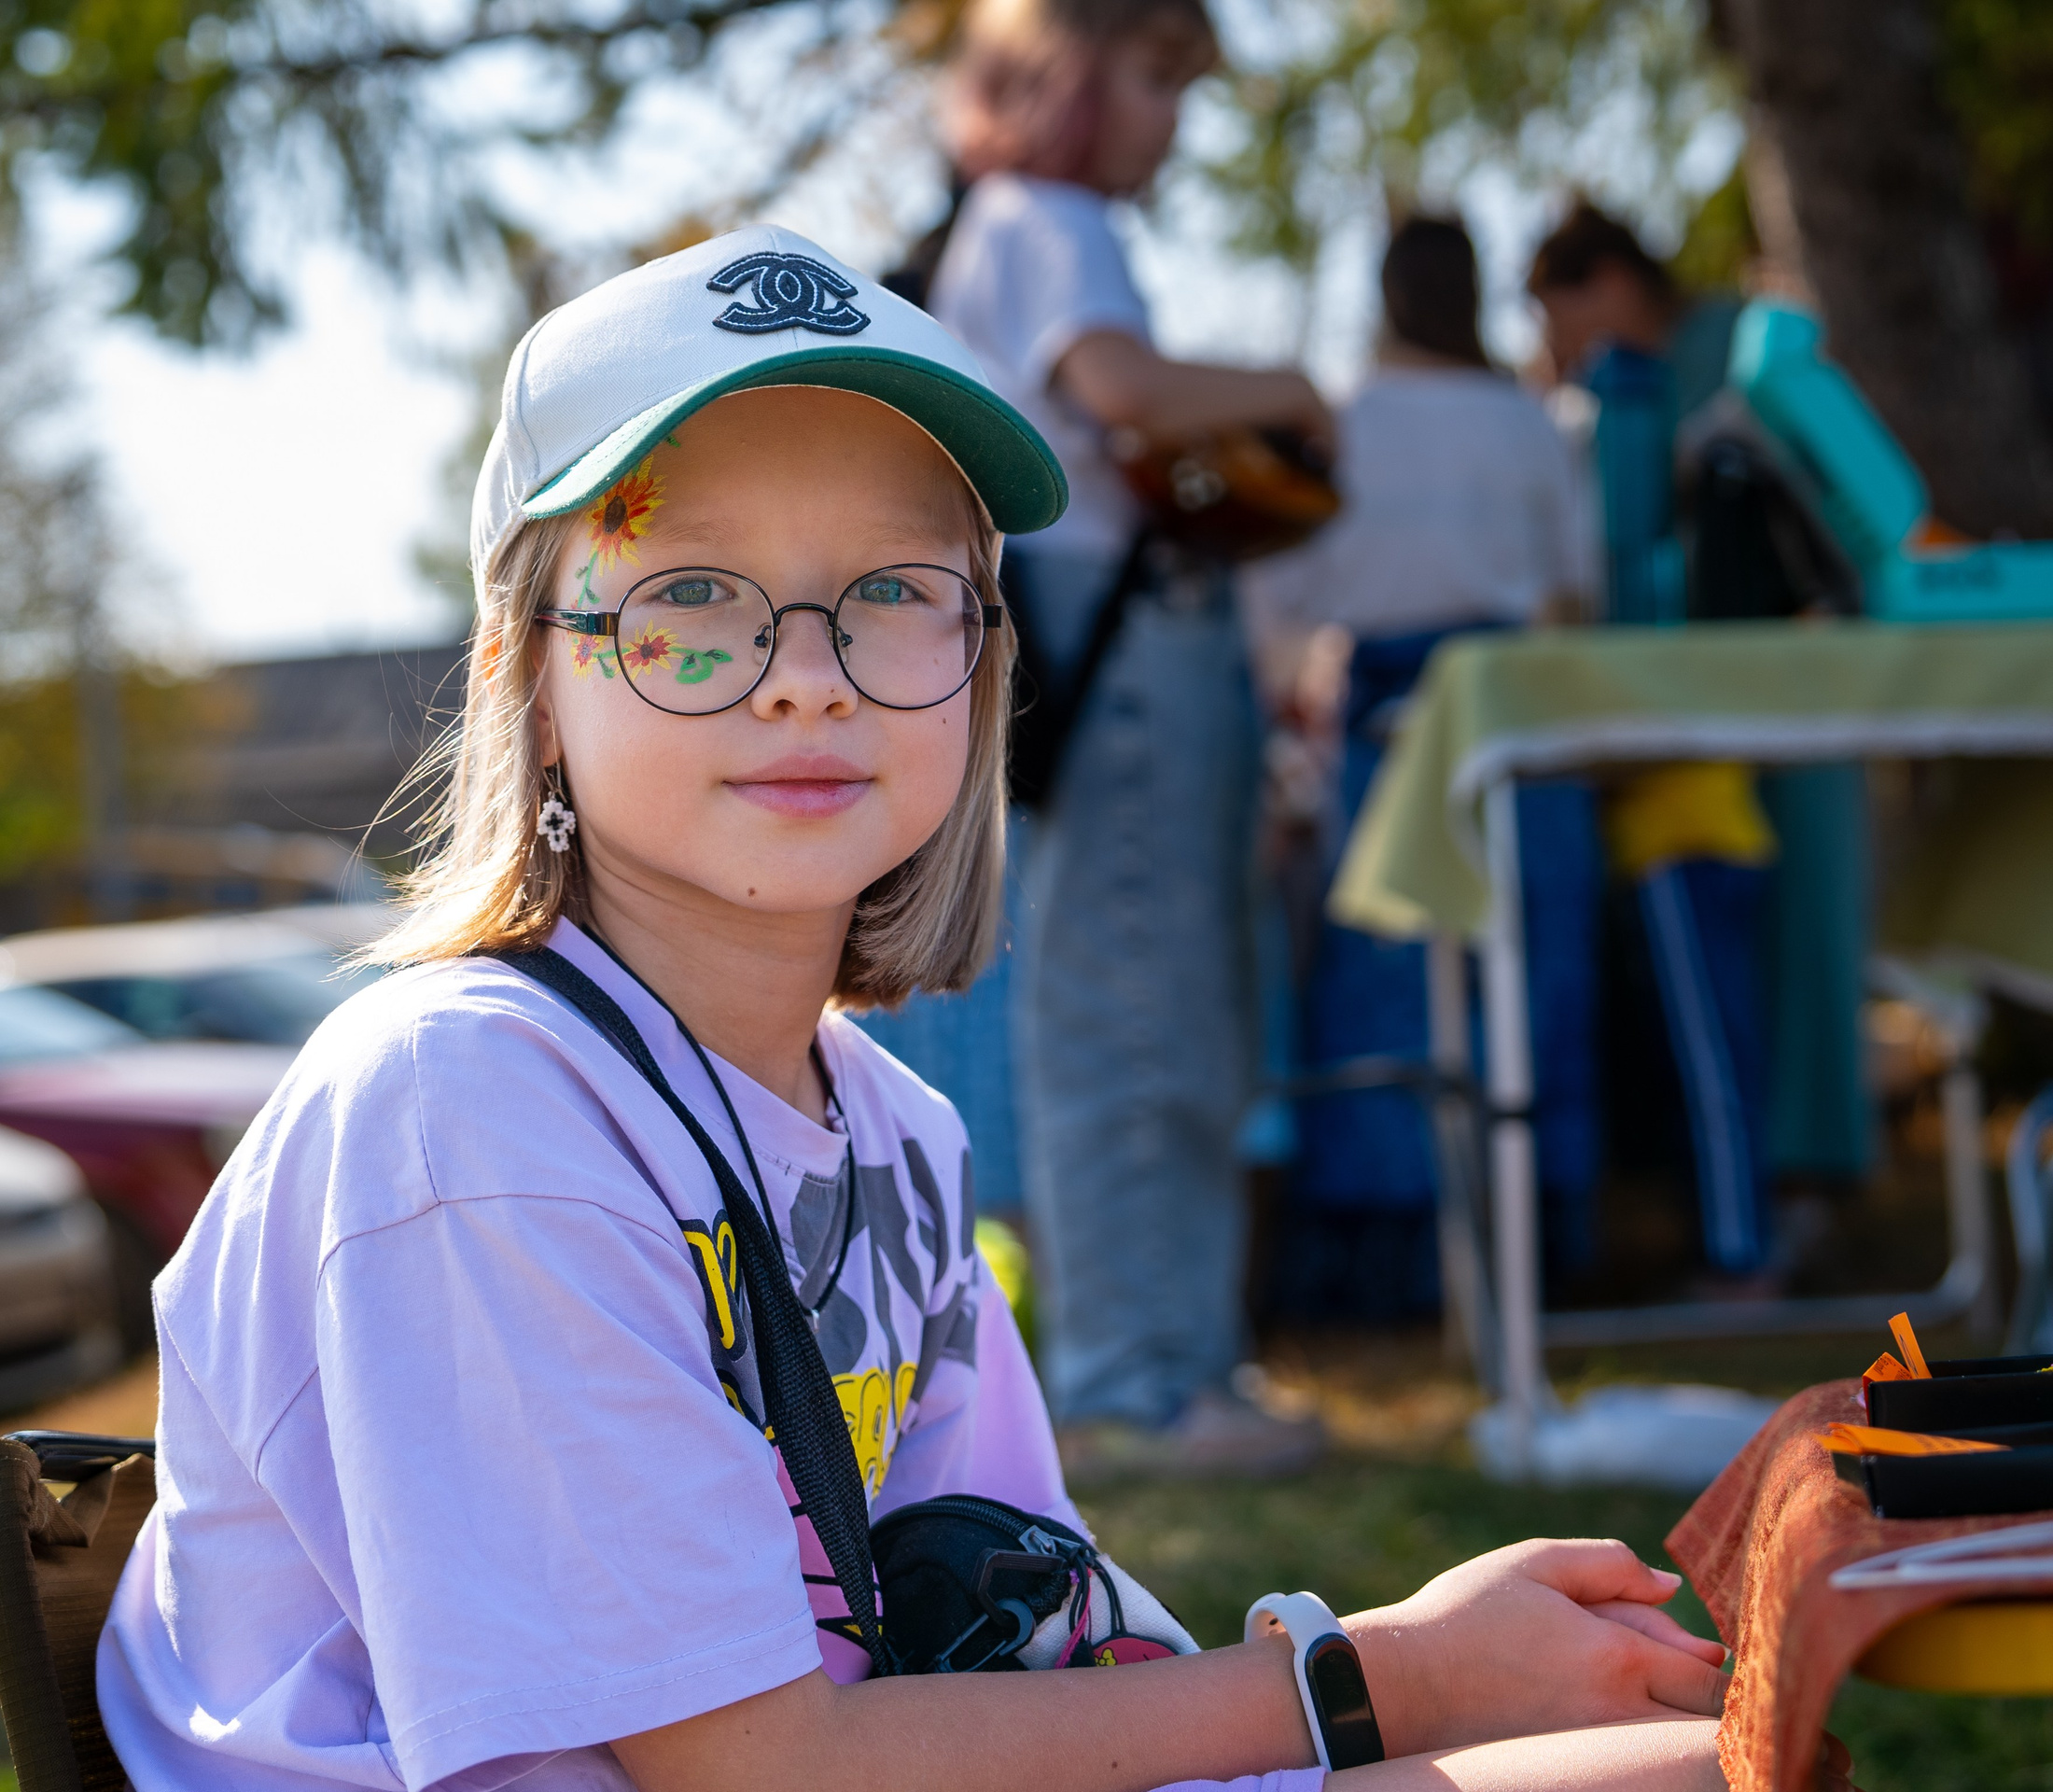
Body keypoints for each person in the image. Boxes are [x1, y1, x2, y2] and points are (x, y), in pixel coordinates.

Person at [94, 225, 1737, 1792]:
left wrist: (1396, 1686)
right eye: (690, 601)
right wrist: (1376, 1681)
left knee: (1720, 1764)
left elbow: (1016, 1647)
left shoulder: (887, 1126)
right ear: (531, 669)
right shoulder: (469, 1114)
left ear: (984, 664)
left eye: (893, 592)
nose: (806, 670)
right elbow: (757, 1769)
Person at [929, 0, 1331, 1480]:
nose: (1174, 120)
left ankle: (1171, 1357)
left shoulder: (1021, 225)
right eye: (1160, 81)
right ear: (1071, 76)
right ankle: (1139, 1381)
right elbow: (1128, 397)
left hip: (1106, 637)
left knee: (1151, 999)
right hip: (1125, 640)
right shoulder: (1049, 218)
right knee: (1145, 1007)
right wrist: (1292, 393)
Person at [1244, 216, 1605, 1314]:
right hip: (1509, 728)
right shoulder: (1525, 423)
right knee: (1529, 980)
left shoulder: (1344, 424)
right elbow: (1578, 591)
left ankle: (1383, 1266)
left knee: (1382, 980)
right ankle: (1532, 1255)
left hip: (1389, 735)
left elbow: (1276, 598)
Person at [1529, 202, 1873, 1292]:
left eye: (1558, 312)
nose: (1558, 344)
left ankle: (1795, 1200)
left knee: (1801, 954)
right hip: (1688, 748)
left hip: (1784, 706)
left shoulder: (1750, 343)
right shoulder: (1611, 394)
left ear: (1608, 282)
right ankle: (1747, 1213)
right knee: (1722, 1001)